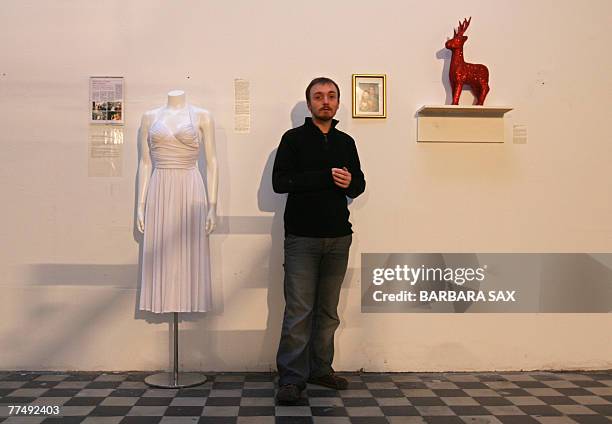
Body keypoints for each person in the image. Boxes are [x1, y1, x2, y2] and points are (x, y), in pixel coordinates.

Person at [272, 77, 366, 404]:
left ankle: (321, 369)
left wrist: (350, 181)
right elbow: (280, 182)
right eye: (318, 96)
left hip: (339, 238)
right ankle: (291, 379)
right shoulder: (292, 139)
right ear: (309, 103)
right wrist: (324, 177)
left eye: (331, 96)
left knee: (328, 312)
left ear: (338, 102)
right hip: (301, 238)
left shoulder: (346, 142)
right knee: (299, 311)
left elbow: (359, 186)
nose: (325, 101)